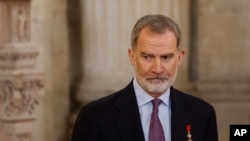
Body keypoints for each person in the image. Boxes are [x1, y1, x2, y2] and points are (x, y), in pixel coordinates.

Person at [71, 14, 218, 141]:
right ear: (132, 57)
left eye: (166, 57)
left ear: (179, 58)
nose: (157, 69)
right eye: (147, 57)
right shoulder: (95, 117)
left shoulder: (203, 114)